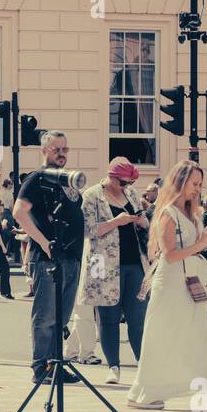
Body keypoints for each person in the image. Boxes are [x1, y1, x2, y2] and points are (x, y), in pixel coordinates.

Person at [127, 160, 207, 408]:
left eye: (200, 184)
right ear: (180, 182)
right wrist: (202, 243)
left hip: (186, 281)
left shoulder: (191, 214)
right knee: (163, 336)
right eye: (194, 183)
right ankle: (146, 392)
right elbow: (169, 255)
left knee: (198, 332)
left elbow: (188, 251)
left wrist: (204, 240)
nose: (197, 189)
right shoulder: (167, 213)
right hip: (171, 283)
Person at [14, 131, 84, 384]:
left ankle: (56, 363)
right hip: (48, 259)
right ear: (44, 151)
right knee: (45, 316)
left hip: (72, 257)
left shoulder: (67, 179)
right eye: (56, 150)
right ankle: (40, 366)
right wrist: (44, 243)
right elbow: (19, 213)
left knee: (62, 316)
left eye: (65, 149)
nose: (62, 154)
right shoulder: (37, 178)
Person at [76, 158, 150, 385]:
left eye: (129, 183)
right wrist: (116, 222)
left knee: (138, 316)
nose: (126, 187)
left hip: (133, 261)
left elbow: (144, 221)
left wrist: (141, 221)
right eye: (122, 183)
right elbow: (87, 230)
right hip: (102, 263)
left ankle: (143, 364)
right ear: (110, 176)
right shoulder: (91, 195)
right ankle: (113, 367)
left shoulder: (132, 194)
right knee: (108, 317)